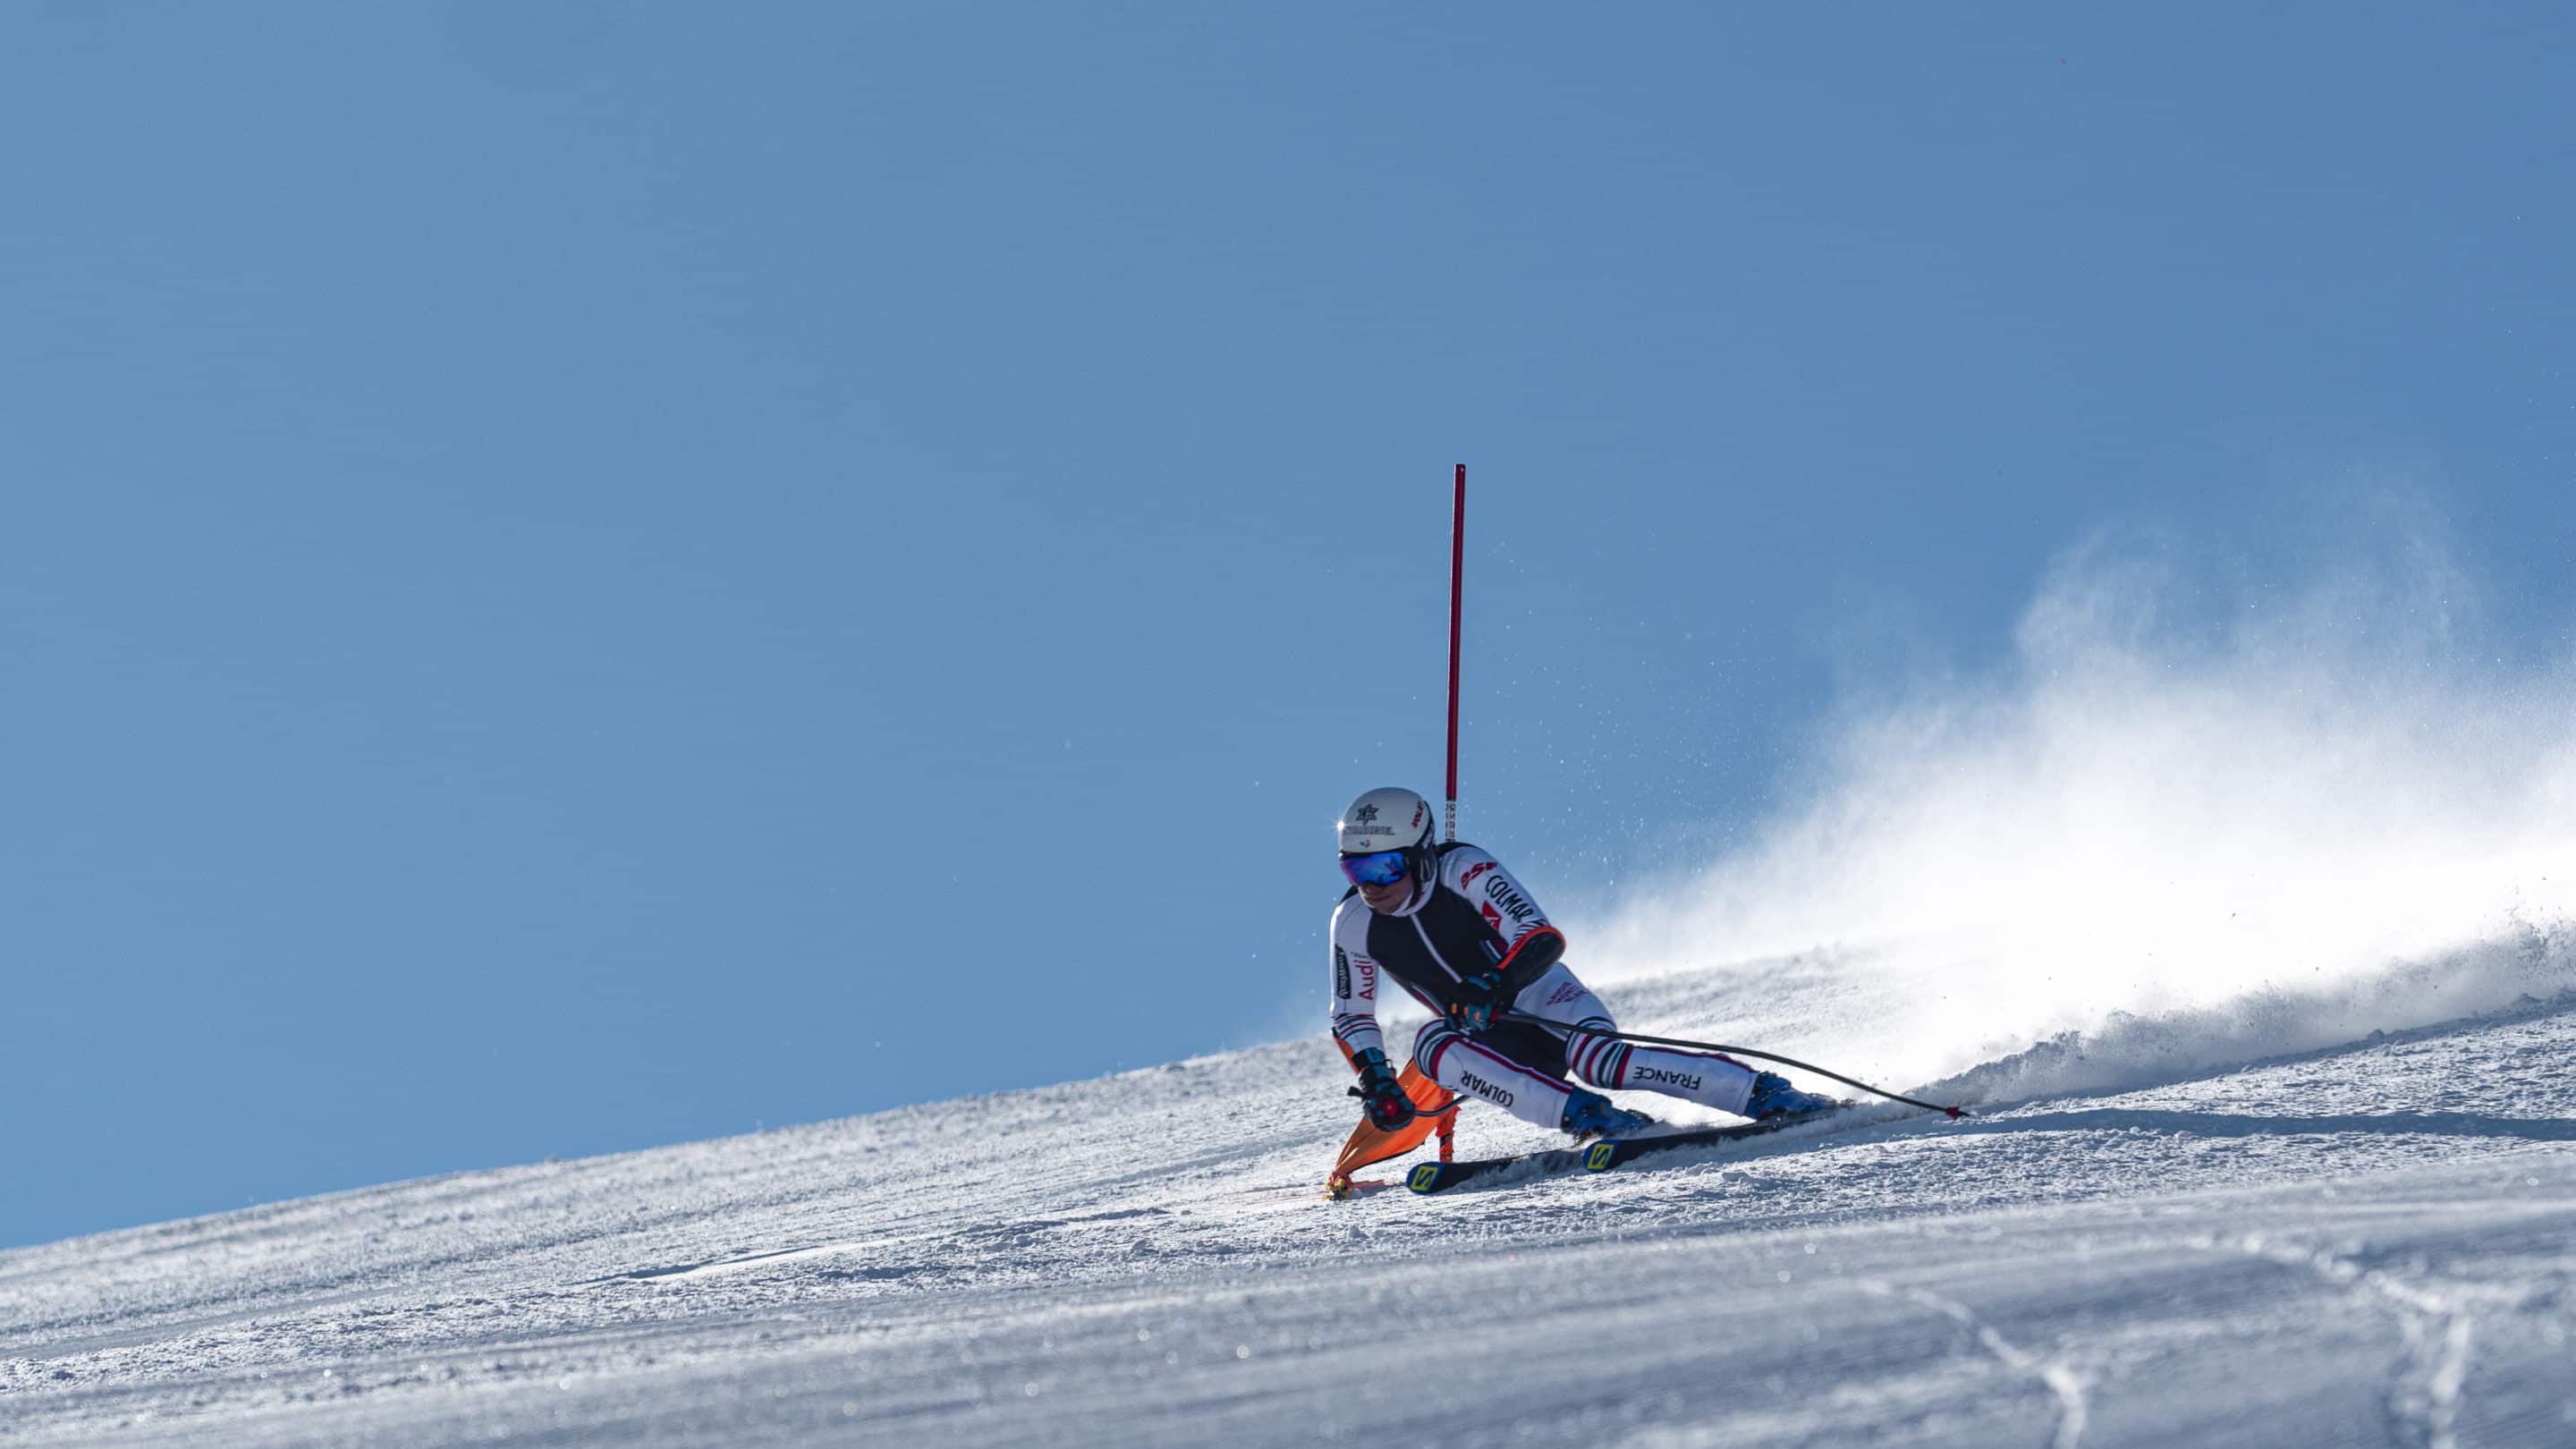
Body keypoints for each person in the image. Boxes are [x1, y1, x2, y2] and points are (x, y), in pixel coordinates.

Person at [1329, 785, 1835, 1140]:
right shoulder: (1353, 922)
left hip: (1545, 999)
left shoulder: (1464, 869)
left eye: (1385, 866)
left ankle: (1762, 1093)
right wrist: (1378, 1082)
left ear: (1419, 855)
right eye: (1356, 868)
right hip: (1488, 1036)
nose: (1372, 885)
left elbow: (1540, 938)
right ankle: (1590, 1119)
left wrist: (1495, 984)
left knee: (1601, 1061)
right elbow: (1352, 1013)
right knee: (1433, 1045)